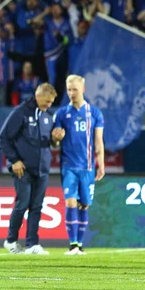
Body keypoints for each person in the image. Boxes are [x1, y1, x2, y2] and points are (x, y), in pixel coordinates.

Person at [0, 83, 64, 255]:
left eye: (51, 102)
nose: (49, 105)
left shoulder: (48, 116)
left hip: (42, 168)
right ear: (38, 95)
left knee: (37, 206)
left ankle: (32, 244)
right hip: (23, 167)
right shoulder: (21, 112)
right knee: (23, 203)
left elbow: (49, 143)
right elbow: (3, 138)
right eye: (47, 101)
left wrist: (56, 139)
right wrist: (14, 160)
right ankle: (11, 241)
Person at [53, 75, 105, 255]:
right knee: (70, 202)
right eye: (68, 89)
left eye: (74, 89)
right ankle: (73, 244)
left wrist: (102, 164)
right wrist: (55, 139)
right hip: (68, 166)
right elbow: (54, 142)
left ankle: (80, 245)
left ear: (83, 89)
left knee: (84, 205)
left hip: (88, 166)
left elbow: (98, 141)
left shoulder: (95, 113)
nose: (71, 93)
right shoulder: (60, 114)